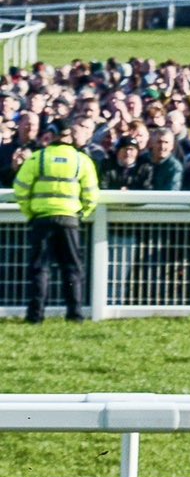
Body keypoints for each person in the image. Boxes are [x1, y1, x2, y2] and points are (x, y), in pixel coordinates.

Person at [13, 115, 100, 322]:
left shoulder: (38, 158)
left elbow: (20, 188)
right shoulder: (82, 160)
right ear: (70, 136)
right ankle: (75, 314)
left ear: (51, 135)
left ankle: (35, 316)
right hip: (69, 220)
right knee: (72, 268)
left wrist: (30, 212)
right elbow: (91, 194)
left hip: (42, 219)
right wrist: (82, 214)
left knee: (40, 269)